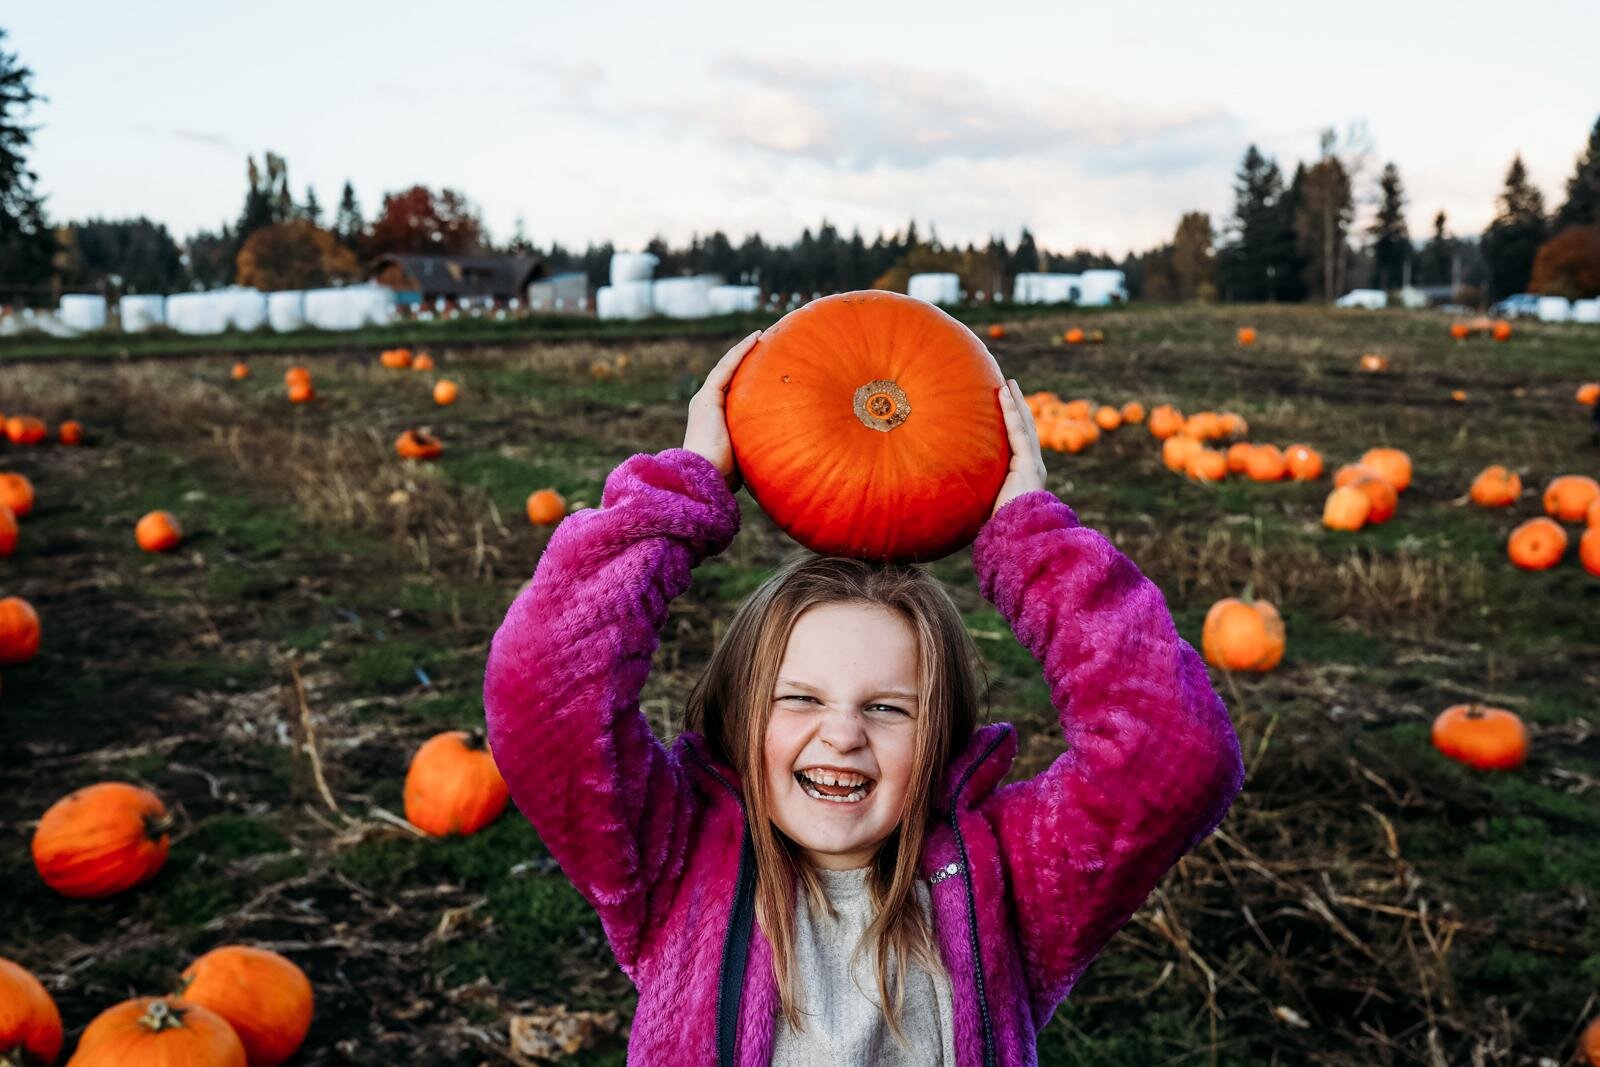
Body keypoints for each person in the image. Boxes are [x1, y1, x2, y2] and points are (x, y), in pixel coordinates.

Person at [484, 330, 1245, 1065]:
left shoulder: (1008, 880)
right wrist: (680, 491)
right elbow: (543, 693)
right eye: (800, 699)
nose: (842, 733)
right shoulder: (676, 861)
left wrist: (1031, 542)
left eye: (888, 707)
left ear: (942, 736)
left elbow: (1175, 753)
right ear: (739, 712)